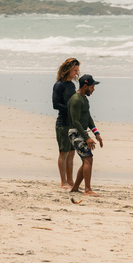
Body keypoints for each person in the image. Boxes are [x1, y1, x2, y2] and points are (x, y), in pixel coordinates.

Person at [68, 74, 103, 196]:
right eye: (92, 87)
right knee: (88, 158)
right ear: (85, 86)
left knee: (86, 159)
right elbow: (75, 121)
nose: (93, 90)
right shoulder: (76, 99)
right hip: (75, 133)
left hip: (81, 132)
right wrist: (87, 138)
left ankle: (75, 188)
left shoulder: (84, 99)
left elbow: (88, 118)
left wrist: (96, 133)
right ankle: (87, 190)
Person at [52, 58, 81, 188]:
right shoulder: (59, 85)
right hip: (63, 123)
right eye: (75, 70)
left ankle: (70, 181)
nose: (76, 73)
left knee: (72, 152)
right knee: (64, 152)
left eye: (77, 70)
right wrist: (70, 109)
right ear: (68, 70)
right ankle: (63, 182)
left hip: (72, 122)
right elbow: (55, 104)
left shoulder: (71, 85)